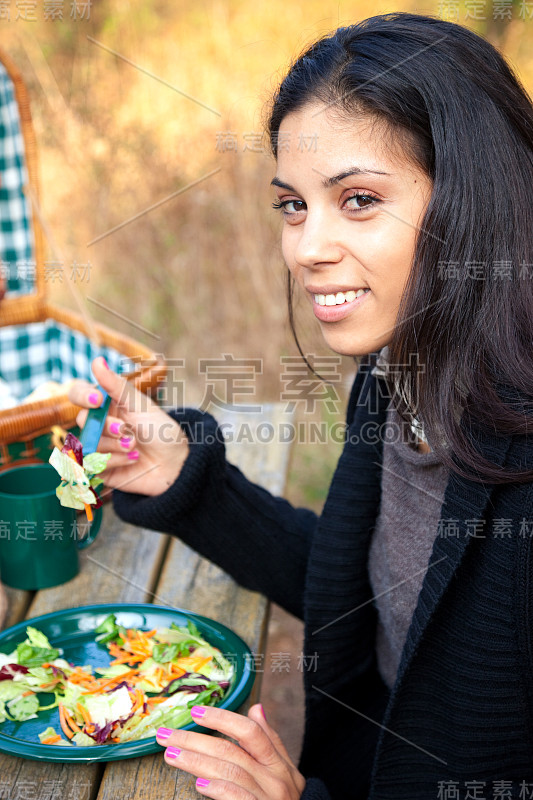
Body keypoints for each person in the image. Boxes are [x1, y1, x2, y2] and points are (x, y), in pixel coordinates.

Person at [69, 13, 533, 800]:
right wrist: (190, 481)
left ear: (473, 197)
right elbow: (370, 592)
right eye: (292, 205)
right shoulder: (400, 366)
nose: (306, 248)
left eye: (357, 199)